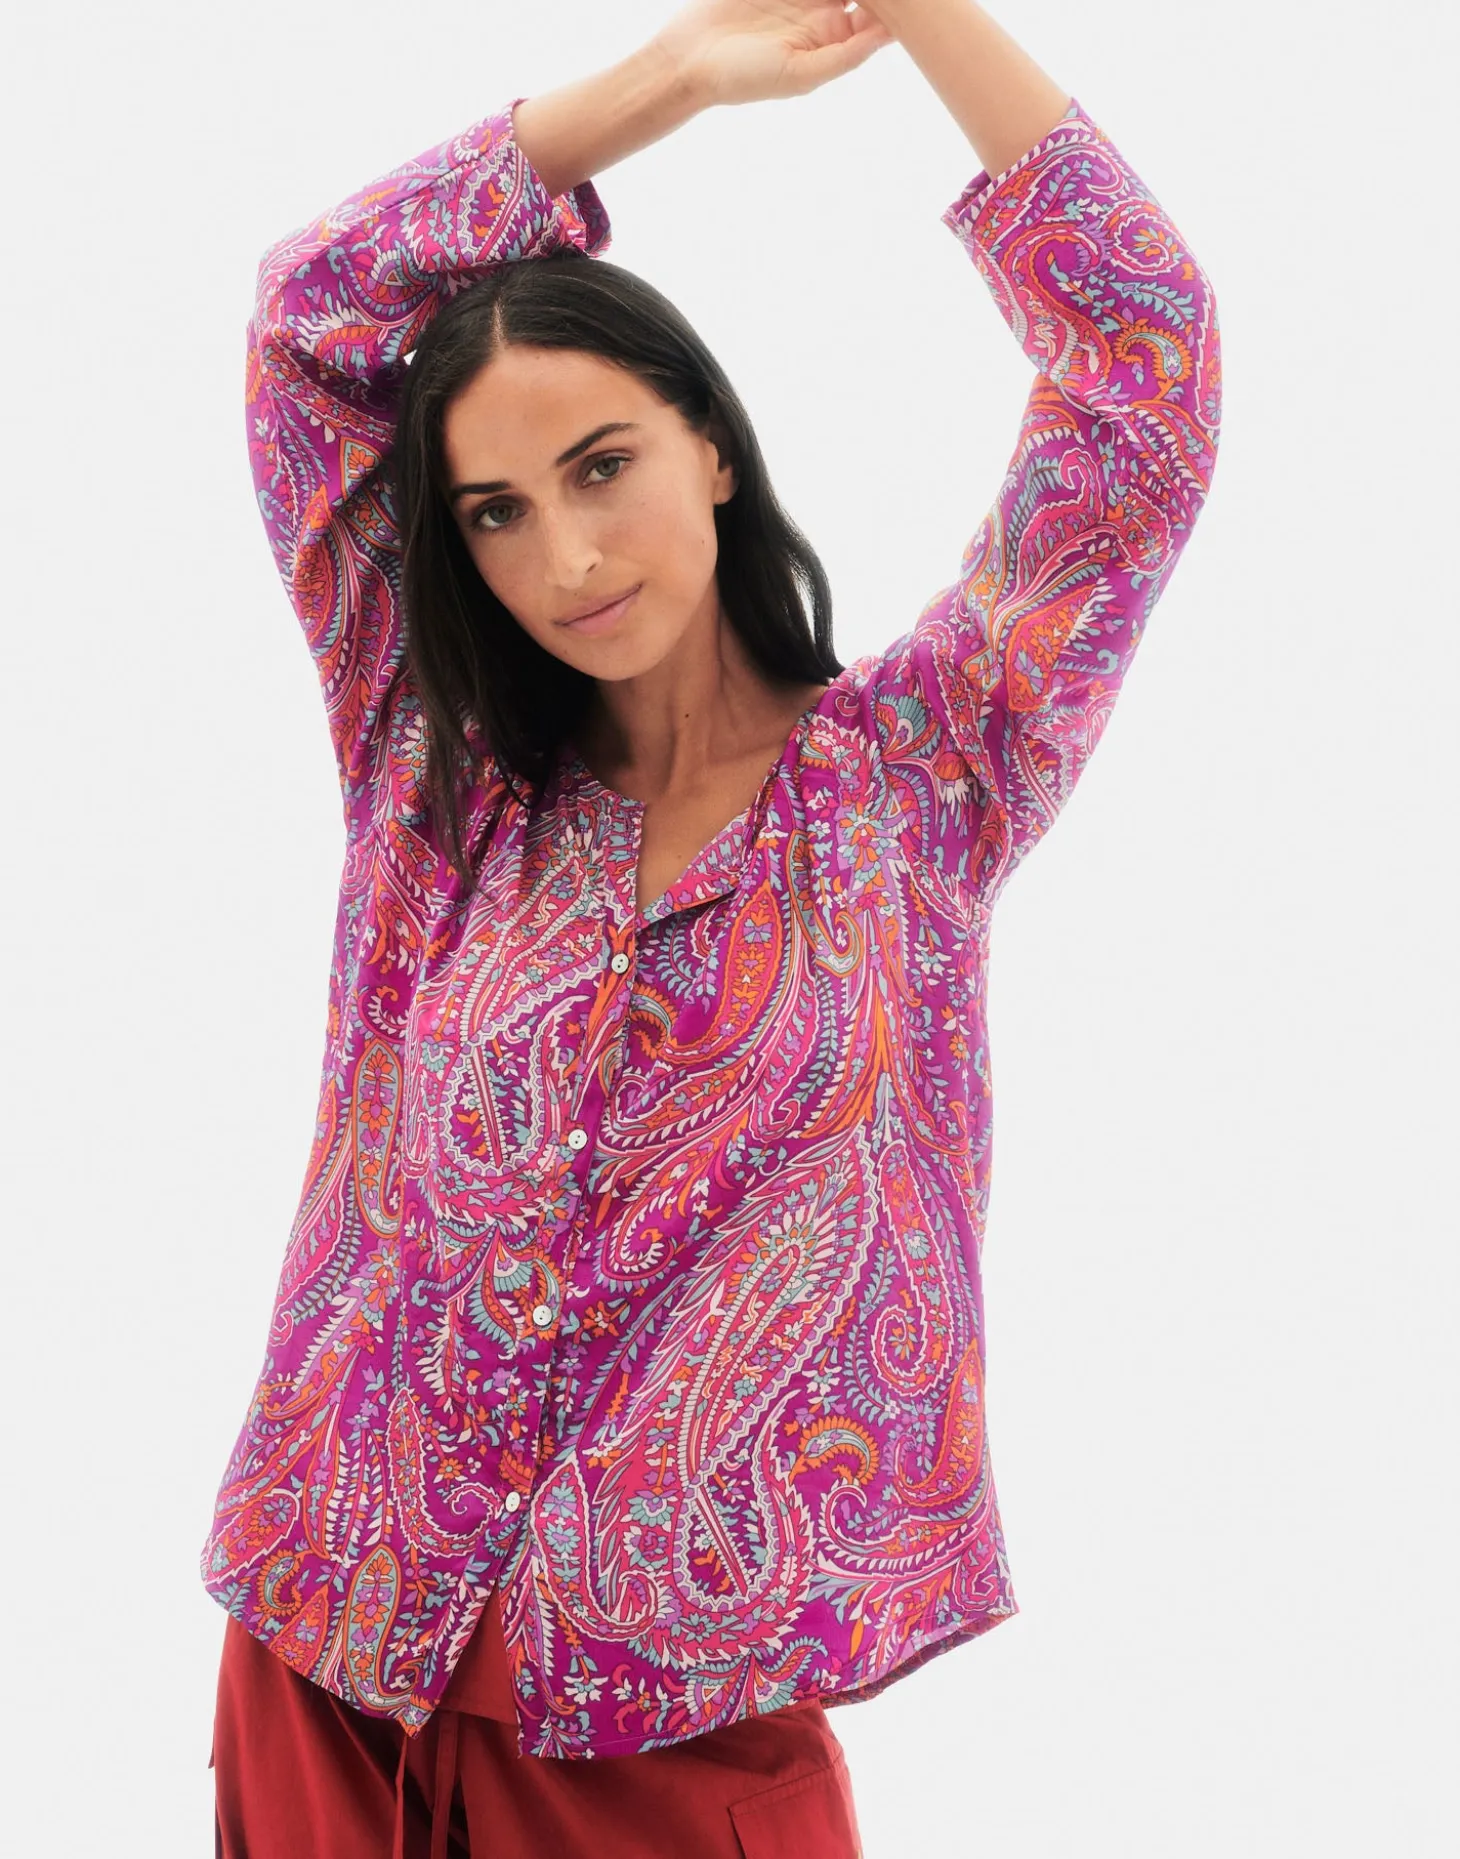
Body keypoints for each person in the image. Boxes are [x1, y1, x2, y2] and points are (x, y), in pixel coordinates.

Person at [203, 1, 1222, 1852]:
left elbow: (1144, 374)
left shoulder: (924, 778)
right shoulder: (437, 777)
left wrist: (915, 11)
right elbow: (305, 323)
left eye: (603, 465)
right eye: (497, 513)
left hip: (667, 1729)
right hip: (327, 1659)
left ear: (716, 449)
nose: (567, 558)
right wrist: (668, 82)